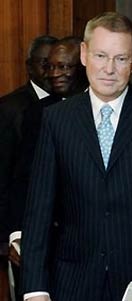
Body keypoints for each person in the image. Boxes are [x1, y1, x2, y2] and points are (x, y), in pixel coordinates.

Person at [20, 11, 132, 301]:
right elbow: (39, 211)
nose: (109, 68)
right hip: (72, 282)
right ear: (84, 54)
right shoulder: (56, 120)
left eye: (120, 59)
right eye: (100, 56)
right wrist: (35, 289)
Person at [0, 35, 58, 301]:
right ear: (29, 66)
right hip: (20, 235)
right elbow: (5, 177)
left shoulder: (66, 105)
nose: (51, 71)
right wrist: (7, 238)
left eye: (56, 64)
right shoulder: (11, 108)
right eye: (44, 64)